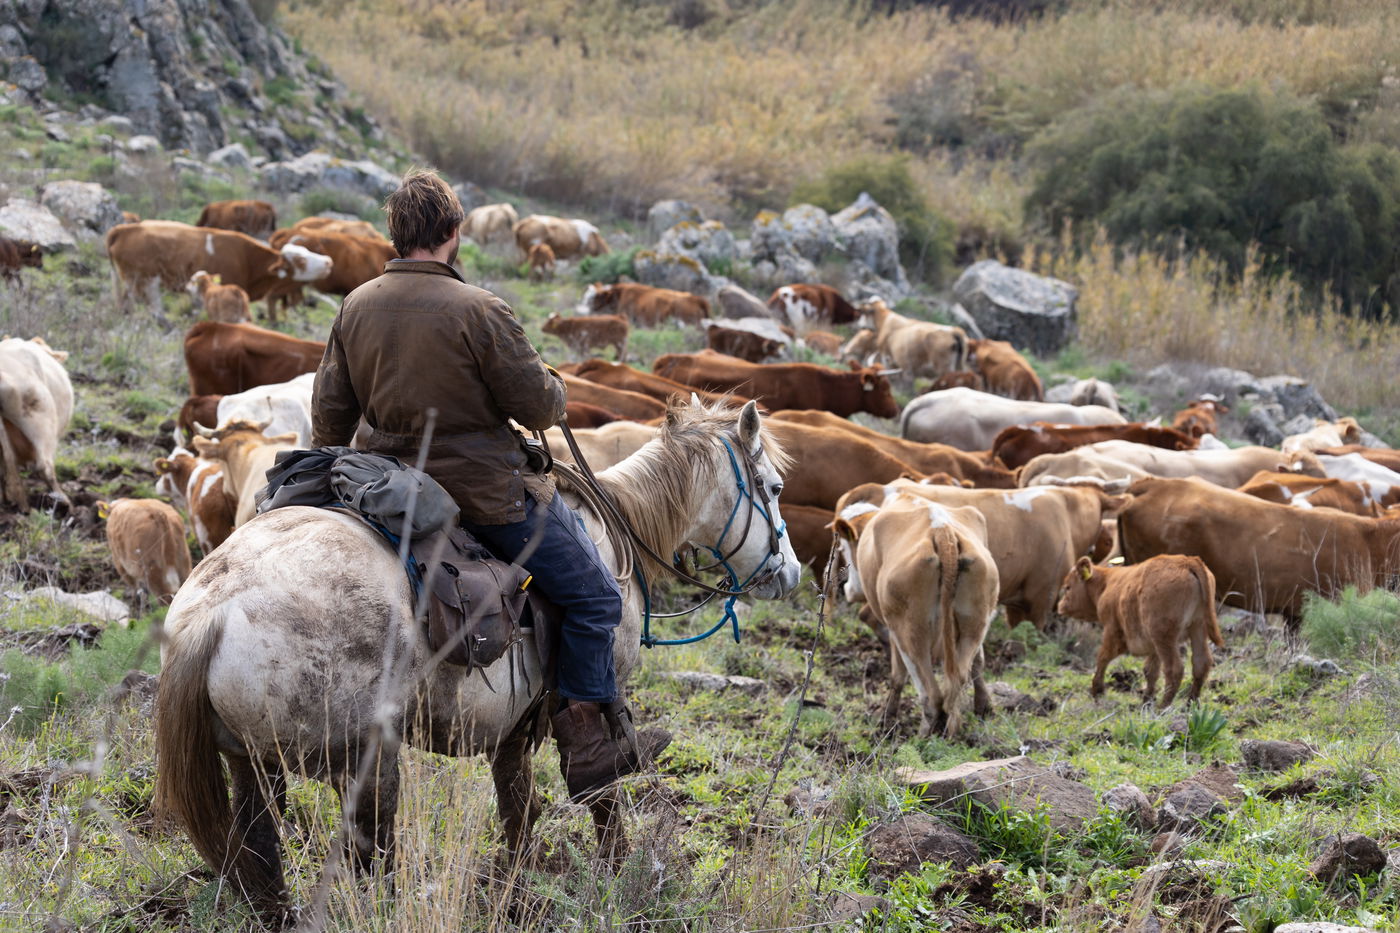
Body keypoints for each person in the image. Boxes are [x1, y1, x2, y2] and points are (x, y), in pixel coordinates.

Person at [310, 170, 669, 800]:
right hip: (484, 497)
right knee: (596, 596)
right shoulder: (480, 309)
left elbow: (329, 417)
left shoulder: (355, 305)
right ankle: (587, 745)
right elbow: (539, 407)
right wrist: (553, 383)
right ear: (453, 232)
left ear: (395, 233)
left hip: (383, 490)